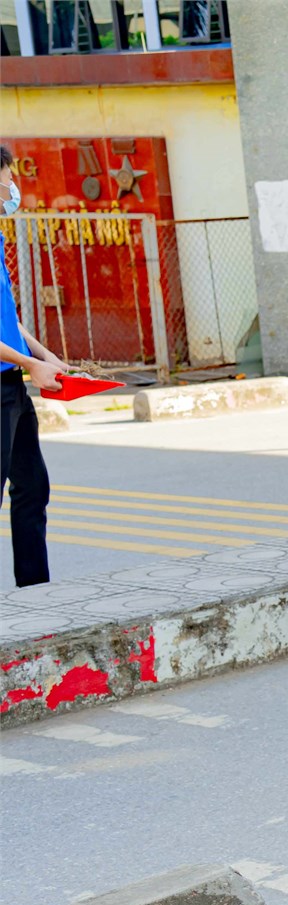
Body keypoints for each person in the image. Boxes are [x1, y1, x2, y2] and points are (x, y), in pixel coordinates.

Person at [0, 144, 69, 589]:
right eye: (6, 180)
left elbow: (7, 318)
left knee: (31, 487)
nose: (12, 188)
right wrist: (30, 363)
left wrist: (44, 356)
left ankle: (36, 594)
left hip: (11, 385)